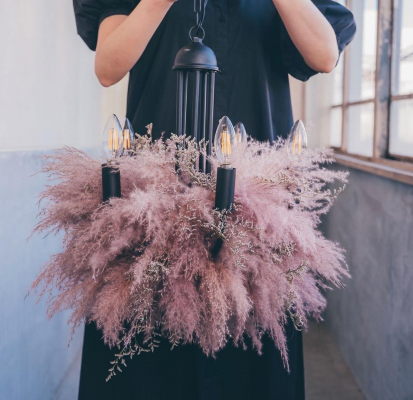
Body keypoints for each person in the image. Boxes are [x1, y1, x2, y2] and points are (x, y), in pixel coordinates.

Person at [73, 0, 355, 398]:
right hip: (155, 208)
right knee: (149, 359)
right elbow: (108, 67)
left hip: (254, 213)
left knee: (247, 359)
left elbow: (324, 55)